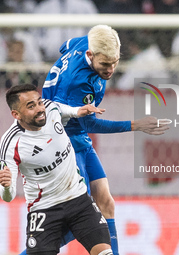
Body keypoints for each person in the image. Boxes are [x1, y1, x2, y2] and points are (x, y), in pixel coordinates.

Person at [38, 24, 169, 255]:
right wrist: (135, 125)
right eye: (105, 64)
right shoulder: (79, 83)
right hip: (64, 141)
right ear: (90, 55)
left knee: (106, 203)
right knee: (78, 219)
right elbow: (90, 124)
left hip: (78, 136)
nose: (110, 69)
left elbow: (64, 46)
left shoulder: (84, 43)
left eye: (115, 62)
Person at [0, 84, 113, 255]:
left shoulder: (50, 108)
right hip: (44, 210)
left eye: (39, 102)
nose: (40, 109)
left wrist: (77, 111)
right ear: (16, 114)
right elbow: (8, 197)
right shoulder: (11, 143)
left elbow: (59, 108)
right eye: (31, 106)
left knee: (104, 252)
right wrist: (6, 186)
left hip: (78, 199)